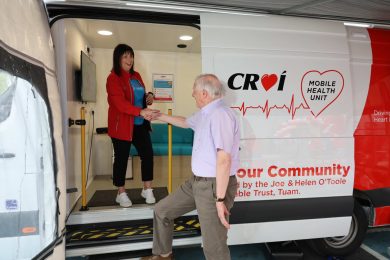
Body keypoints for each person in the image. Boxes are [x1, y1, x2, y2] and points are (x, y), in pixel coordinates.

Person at [143, 74, 240, 260]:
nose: (192, 94)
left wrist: (220, 200)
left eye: (194, 90)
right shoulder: (205, 113)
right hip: (195, 183)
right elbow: (185, 122)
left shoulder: (220, 115)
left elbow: (224, 159)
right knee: (162, 211)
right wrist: (160, 116)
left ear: (204, 93)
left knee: (214, 246)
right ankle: (163, 255)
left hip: (214, 186)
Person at [106, 43, 159, 207]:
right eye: (125, 56)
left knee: (147, 154)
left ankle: (147, 188)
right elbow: (119, 103)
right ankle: (120, 192)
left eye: (131, 56)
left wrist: (148, 97)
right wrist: (140, 112)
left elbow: (141, 96)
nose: (129, 59)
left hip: (140, 124)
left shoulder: (136, 75)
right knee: (122, 158)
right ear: (118, 58)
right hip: (121, 125)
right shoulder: (113, 78)